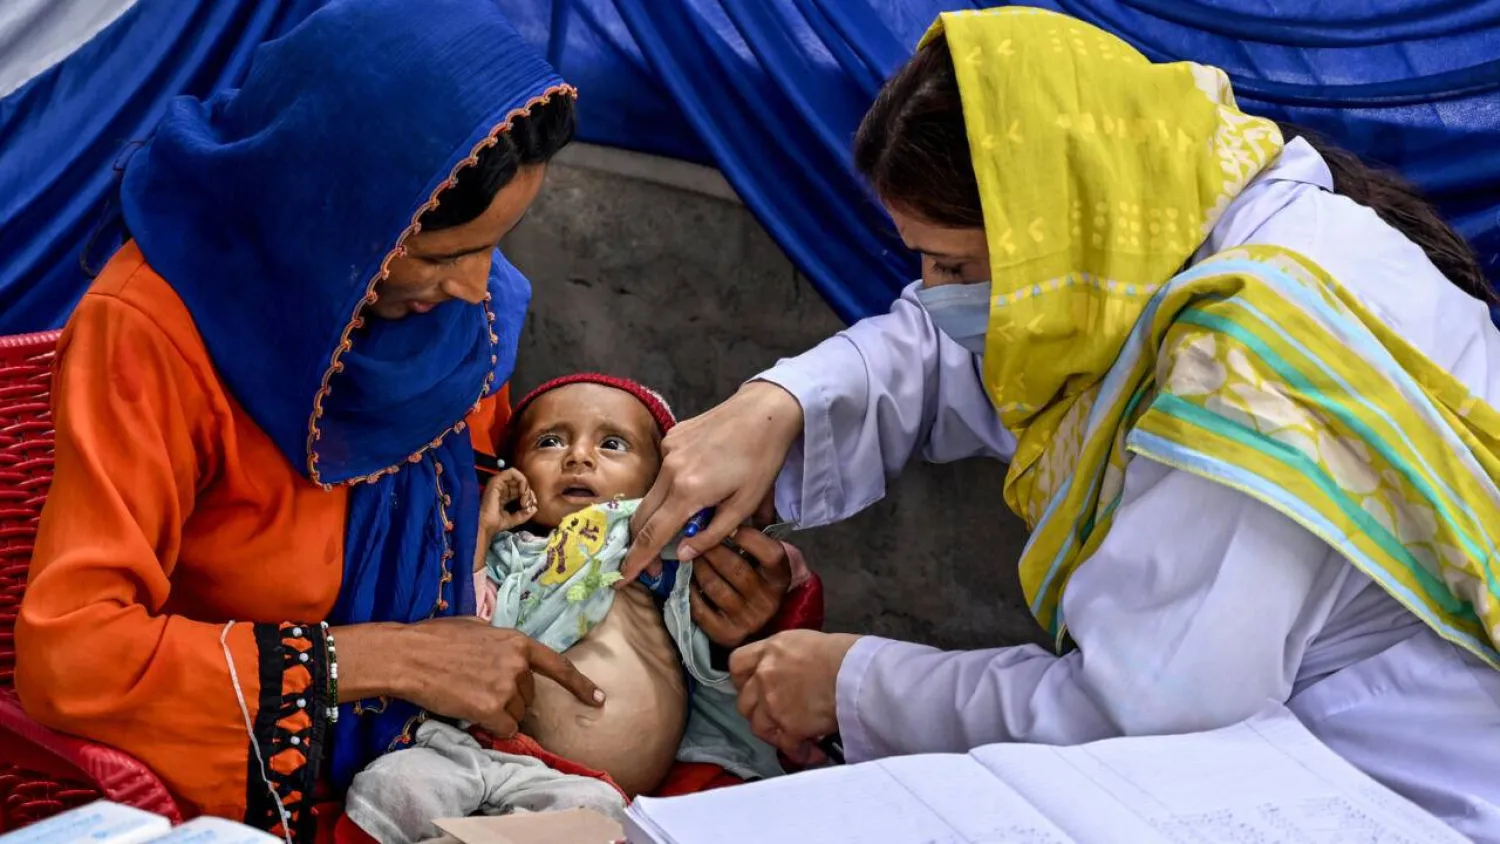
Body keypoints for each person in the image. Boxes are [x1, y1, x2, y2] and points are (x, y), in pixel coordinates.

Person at [623, 8, 1500, 841]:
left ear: (1053, 231)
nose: (935, 293)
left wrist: (852, 683)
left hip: (1397, 784)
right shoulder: (1177, 210)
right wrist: (778, 407)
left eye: (952, 264)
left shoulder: (1248, 370)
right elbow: (966, 341)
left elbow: (1145, 720)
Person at [13, 3, 796, 841]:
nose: (477, 286)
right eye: (442, 254)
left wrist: (702, 596)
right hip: (263, 772)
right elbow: (73, 657)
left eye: (495, 244)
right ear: (339, 216)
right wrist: (396, 658)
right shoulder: (153, 333)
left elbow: (501, 500)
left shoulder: (455, 319)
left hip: (458, 742)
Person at [345, 375, 805, 843]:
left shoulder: (661, 553)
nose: (578, 456)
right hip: (469, 749)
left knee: (592, 821)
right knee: (392, 784)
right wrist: (481, 533)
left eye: (611, 443)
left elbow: (751, 553)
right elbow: (462, 621)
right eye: (549, 441)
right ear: (515, 469)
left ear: (663, 476)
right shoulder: (512, 552)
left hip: (584, 788)